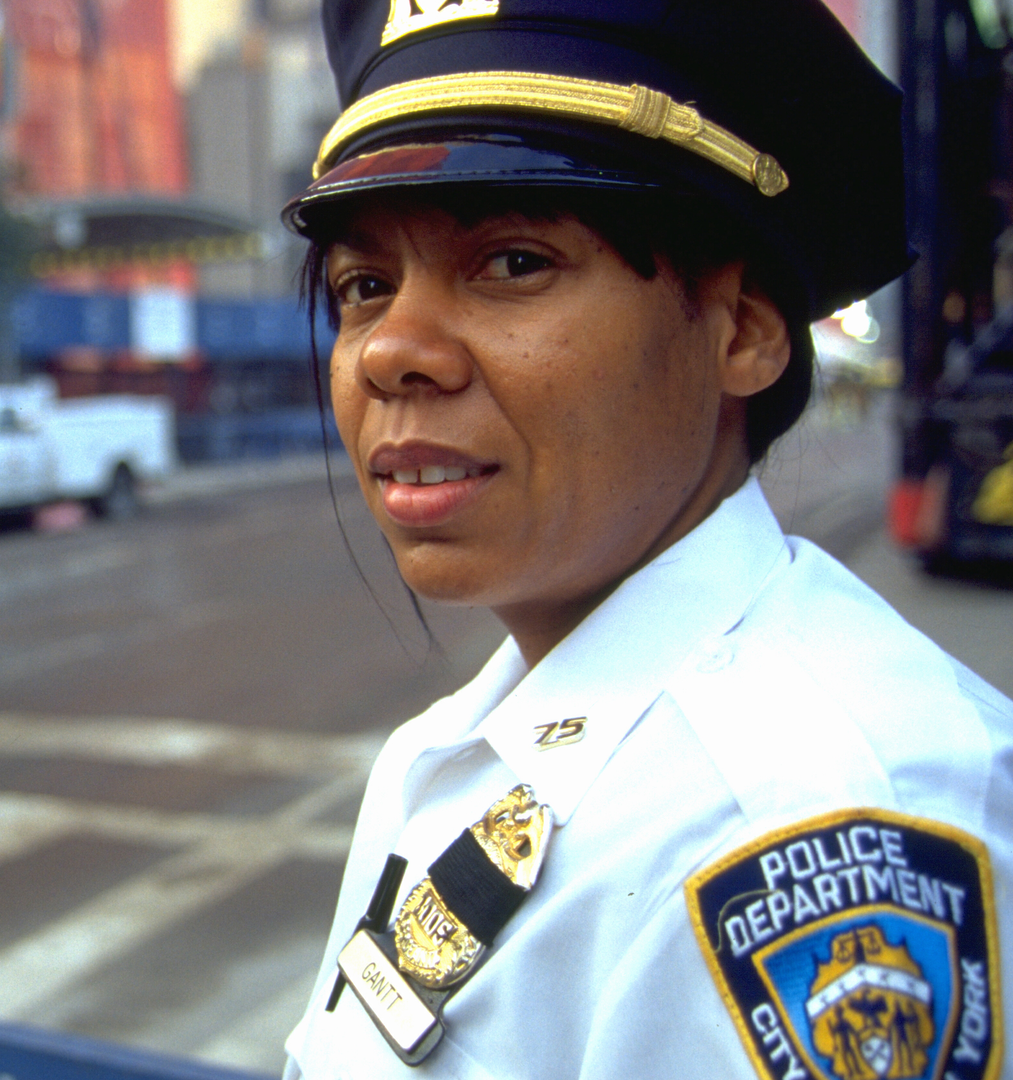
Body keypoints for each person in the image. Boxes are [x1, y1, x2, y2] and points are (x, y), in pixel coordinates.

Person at [278, 3, 1011, 1079]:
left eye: (514, 262)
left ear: (744, 329)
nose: (392, 350)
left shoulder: (818, 835)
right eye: (364, 286)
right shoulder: (453, 749)